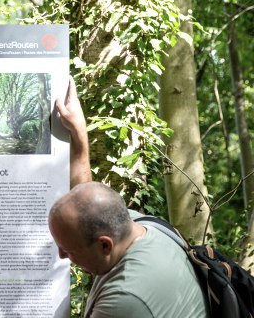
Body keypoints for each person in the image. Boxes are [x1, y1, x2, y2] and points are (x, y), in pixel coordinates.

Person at [49, 77, 209, 318]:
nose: (61, 255)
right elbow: (85, 204)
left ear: (105, 244)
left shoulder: (125, 301)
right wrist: (79, 136)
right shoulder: (140, 227)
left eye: (68, 249)